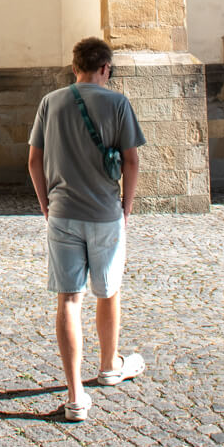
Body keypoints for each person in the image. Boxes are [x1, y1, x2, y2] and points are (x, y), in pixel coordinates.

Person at [28, 36, 146, 421]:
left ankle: (75, 394)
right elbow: (131, 162)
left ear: (74, 66)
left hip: (62, 213)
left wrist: (46, 205)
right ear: (105, 68)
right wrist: (125, 208)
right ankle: (110, 366)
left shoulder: (51, 102)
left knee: (68, 299)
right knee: (108, 292)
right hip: (104, 213)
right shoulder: (117, 103)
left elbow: (34, 160)